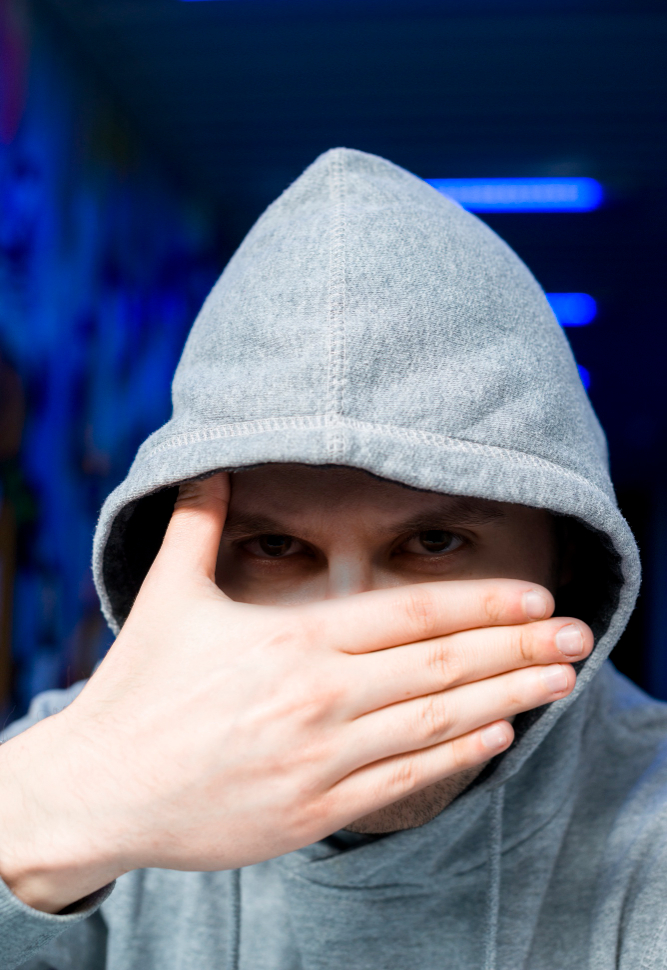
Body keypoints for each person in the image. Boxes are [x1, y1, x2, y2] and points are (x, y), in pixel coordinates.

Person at [0, 147, 663, 970]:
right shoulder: (74, 764)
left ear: (567, 555)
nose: (351, 632)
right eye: (276, 547)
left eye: (433, 542)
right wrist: (62, 805)